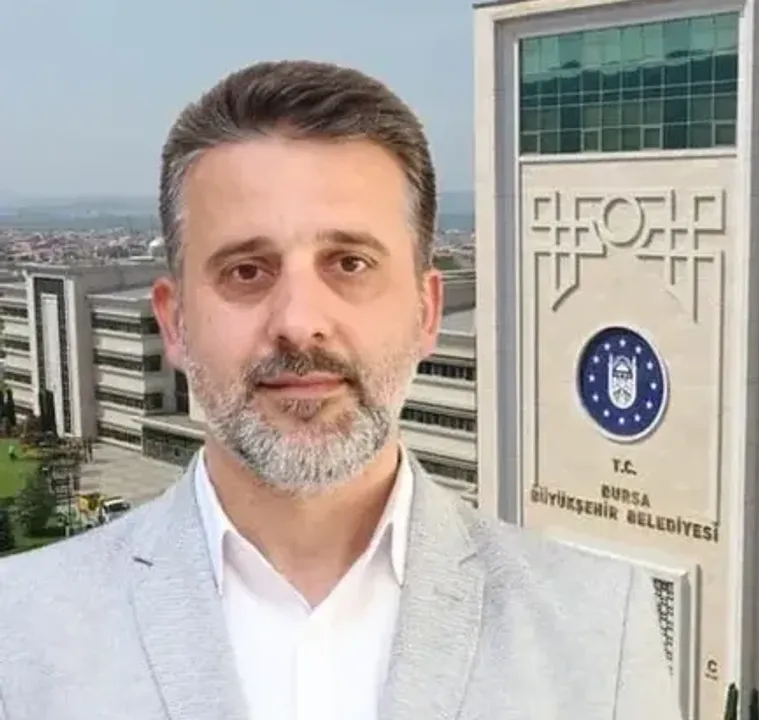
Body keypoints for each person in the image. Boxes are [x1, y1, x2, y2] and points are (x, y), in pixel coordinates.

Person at [0, 60, 680, 720]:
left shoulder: (598, 625)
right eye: (246, 271)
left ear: (427, 312)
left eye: (350, 263)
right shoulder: (22, 630)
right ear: (175, 324)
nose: (300, 322)